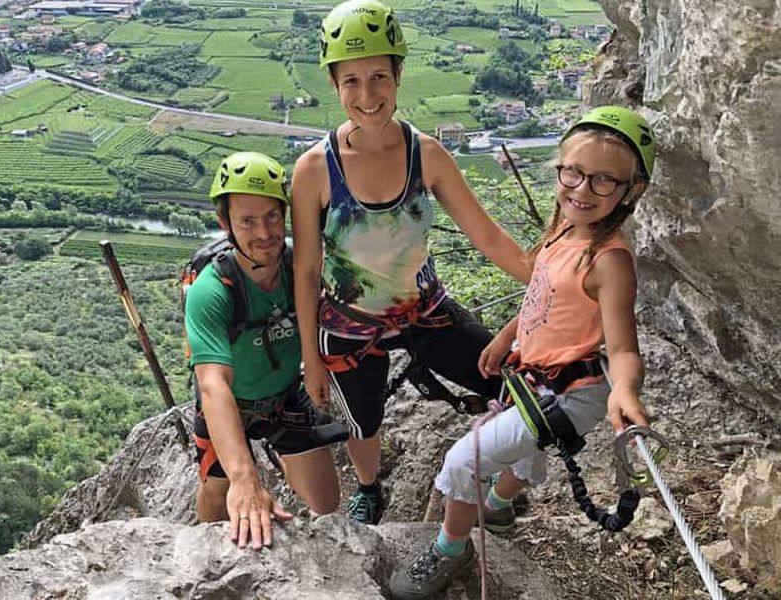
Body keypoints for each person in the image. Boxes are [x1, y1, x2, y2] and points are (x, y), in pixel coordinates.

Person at [388, 105, 657, 600]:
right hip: (539, 378)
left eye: (603, 181)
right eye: (572, 173)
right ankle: (497, 508)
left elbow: (622, 346)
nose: (581, 189)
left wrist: (625, 390)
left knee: (464, 458)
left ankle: (452, 549)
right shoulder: (564, 230)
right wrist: (507, 335)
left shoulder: (609, 261)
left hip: (572, 391)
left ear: (631, 190)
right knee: (522, 446)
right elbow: (544, 294)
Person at [291, 0, 531, 526]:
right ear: (334, 85)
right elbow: (306, 270)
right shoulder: (314, 171)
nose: (367, 94)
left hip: (426, 309)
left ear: (399, 74)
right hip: (350, 324)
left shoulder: (428, 155)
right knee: (364, 422)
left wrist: (549, 279)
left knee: (513, 386)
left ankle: (497, 486)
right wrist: (311, 358)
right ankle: (369, 487)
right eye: (351, 80)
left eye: (379, 76)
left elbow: (488, 236)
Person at [185, 151, 340, 550]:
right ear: (225, 224)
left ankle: (280, 460)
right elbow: (213, 385)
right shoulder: (212, 291)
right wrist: (243, 478)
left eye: (272, 217)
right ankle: (207, 542)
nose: (264, 233)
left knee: (327, 502)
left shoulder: (300, 269)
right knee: (218, 500)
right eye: (247, 221)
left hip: (285, 395)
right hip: (231, 405)